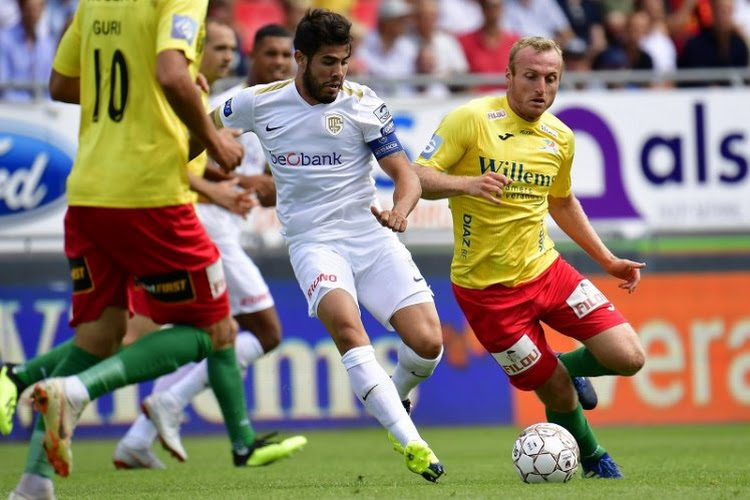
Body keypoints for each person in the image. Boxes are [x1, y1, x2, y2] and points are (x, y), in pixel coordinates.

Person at [3, 1, 280, 497]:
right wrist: (213, 138)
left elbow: (62, 84)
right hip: (150, 195)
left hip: (89, 193)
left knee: (101, 337)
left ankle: (32, 481)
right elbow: (172, 73)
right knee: (216, 330)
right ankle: (78, 393)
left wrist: (141, 96)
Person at [212, 9, 446, 483]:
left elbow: (405, 174)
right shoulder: (258, 103)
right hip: (314, 243)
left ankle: (393, 396)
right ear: (300, 59)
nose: (338, 73)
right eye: (327, 63)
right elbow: (197, 127)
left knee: (428, 343)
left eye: (344, 61)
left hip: (370, 235)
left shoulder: (362, 103)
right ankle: (413, 444)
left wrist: (400, 210)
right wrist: (201, 163)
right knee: (346, 325)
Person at [411, 36, 646, 479]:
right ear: (509, 77)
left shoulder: (560, 135)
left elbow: (562, 202)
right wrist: (467, 185)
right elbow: (417, 176)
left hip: (547, 271)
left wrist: (608, 259)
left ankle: (562, 367)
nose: (542, 87)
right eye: (532, 76)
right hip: (487, 294)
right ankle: (595, 459)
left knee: (629, 356)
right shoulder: (470, 120)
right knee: (556, 393)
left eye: (551, 78)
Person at [113, 19, 305, 469]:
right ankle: (155, 404)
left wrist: (268, 184)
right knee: (265, 331)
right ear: (250, 58)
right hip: (203, 229)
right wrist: (239, 180)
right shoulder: (223, 107)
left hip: (223, 231)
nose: (278, 64)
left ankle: (139, 437)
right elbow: (181, 162)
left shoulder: (287, 116)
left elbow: (273, 186)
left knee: (213, 336)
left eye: (285, 56)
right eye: (270, 55)